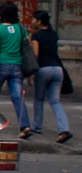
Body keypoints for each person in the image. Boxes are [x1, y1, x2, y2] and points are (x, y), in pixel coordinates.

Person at [0, 1, 33, 136]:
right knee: (17, 96)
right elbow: (26, 45)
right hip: (17, 66)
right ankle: (24, 125)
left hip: (2, 64)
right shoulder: (21, 29)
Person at [30, 10, 70, 143]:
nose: (32, 21)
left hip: (43, 69)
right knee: (55, 101)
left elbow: (35, 55)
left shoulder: (36, 36)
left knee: (39, 99)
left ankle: (36, 126)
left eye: (34, 19)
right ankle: (64, 128)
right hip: (58, 70)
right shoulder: (54, 35)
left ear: (39, 21)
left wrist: (30, 73)